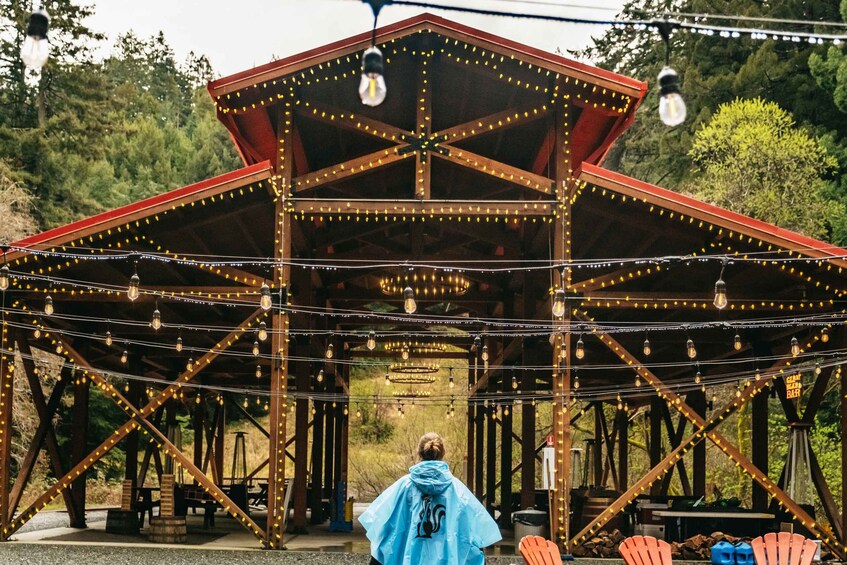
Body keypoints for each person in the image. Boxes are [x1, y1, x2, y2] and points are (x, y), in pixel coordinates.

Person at [359, 432, 501, 565]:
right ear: (443, 454)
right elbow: (473, 532)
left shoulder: (404, 486)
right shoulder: (457, 490)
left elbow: (384, 526)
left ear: (419, 453)